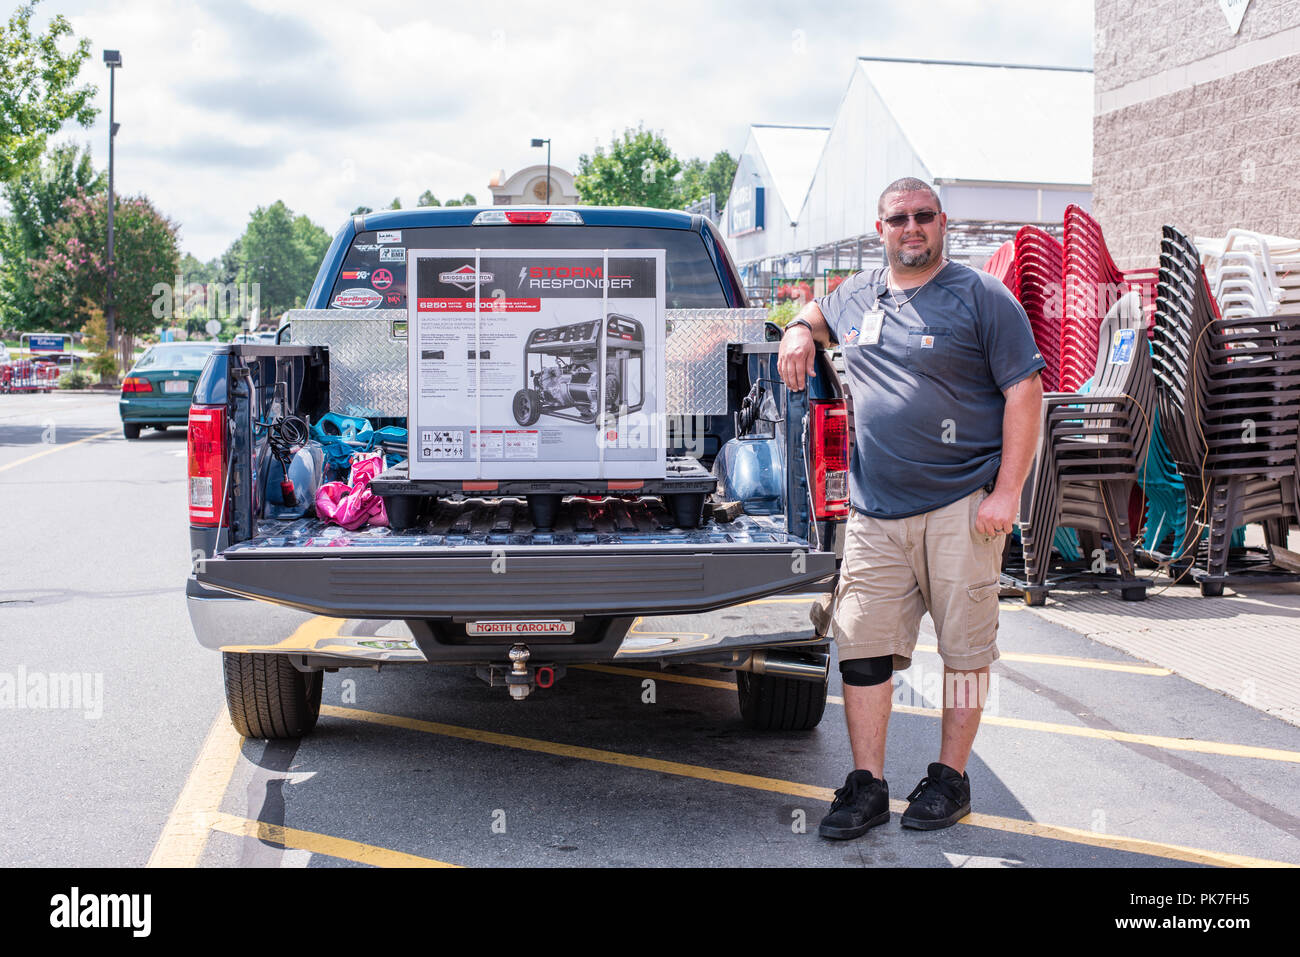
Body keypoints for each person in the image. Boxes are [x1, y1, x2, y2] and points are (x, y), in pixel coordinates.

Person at [776, 177, 1044, 839]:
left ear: (942, 222)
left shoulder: (983, 296)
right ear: (881, 229)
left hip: (963, 506)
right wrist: (794, 332)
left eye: (924, 216)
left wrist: (1007, 491)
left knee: (963, 651)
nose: (912, 227)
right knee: (861, 644)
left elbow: (1025, 392)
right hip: (875, 512)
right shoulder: (856, 293)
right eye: (899, 218)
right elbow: (814, 314)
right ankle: (866, 785)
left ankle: (950, 779)